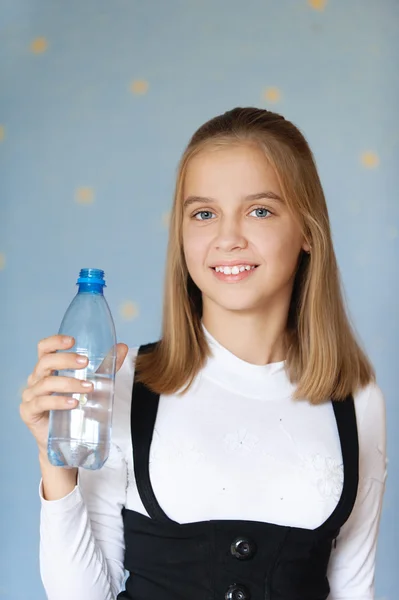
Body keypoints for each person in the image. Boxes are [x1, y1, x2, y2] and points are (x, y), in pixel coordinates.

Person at [20, 107, 387, 600]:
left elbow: (354, 589)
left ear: (307, 230)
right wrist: (57, 467)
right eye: (204, 213)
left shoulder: (358, 400)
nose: (228, 238)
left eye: (260, 210)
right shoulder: (124, 382)